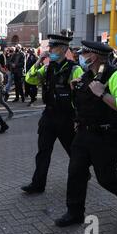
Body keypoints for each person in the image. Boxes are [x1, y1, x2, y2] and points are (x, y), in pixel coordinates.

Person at [55, 41, 117, 227]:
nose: (80, 56)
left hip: (106, 136)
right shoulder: (85, 77)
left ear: (93, 56)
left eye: (83, 53)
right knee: (75, 173)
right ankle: (74, 213)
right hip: (84, 134)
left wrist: (103, 94)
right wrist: (73, 92)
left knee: (106, 178)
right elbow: (80, 106)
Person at [21, 32, 83, 194]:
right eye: (50, 47)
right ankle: (38, 184)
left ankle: (83, 173)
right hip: (49, 116)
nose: (50, 50)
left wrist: (79, 119)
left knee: (73, 150)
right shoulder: (47, 67)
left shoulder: (75, 70)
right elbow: (30, 79)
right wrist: (39, 61)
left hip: (67, 118)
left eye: (53, 47)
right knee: (43, 151)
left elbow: (82, 96)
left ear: (63, 49)